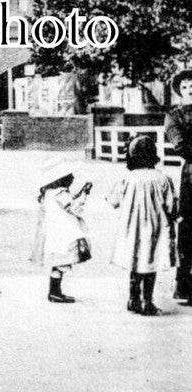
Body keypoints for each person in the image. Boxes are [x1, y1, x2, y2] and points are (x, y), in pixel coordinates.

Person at [106, 135, 178, 315]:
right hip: (155, 228)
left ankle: (133, 299)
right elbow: (171, 206)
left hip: (132, 229)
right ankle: (147, 301)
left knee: (135, 262)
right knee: (151, 263)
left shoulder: (126, 178)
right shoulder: (162, 179)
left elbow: (113, 200)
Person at [30, 160, 92, 303]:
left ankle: (55, 292)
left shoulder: (48, 194)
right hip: (64, 235)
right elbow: (74, 207)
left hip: (54, 234)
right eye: (69, 176)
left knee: (58, 264)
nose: (72, 178)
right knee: (61, 264)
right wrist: (84, 194)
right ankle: (55, 293)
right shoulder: (61, 194)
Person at [163, 68, 192, 305]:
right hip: (191, 174)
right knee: (189, 227)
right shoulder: (174, 116)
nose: (190, 90)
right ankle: (184, 285)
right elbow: (180, 144)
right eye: (184, 87)